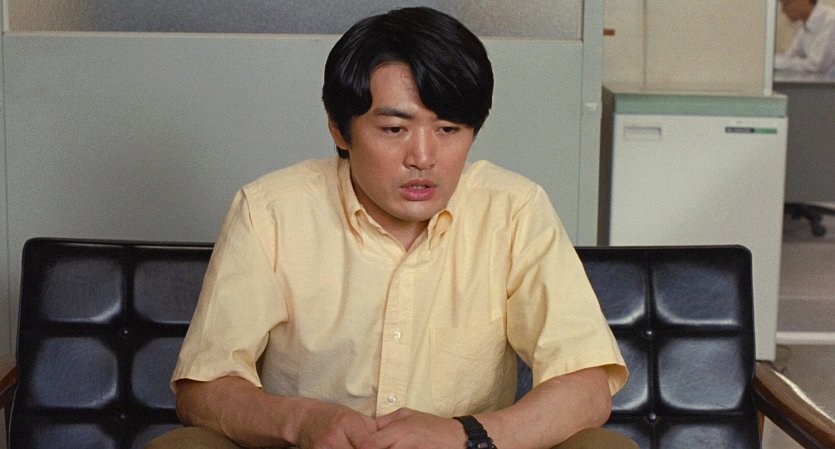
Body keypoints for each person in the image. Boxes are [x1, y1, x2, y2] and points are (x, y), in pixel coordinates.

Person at [147, 6, 634, 449]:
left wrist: (464, 435)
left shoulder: (514, 208)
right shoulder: (270, 209)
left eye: (448, 130)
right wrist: (303, 421)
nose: (423, 157)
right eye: (394, 129)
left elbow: (586, 385)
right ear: (340, 129)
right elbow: (202, 390)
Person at [775, 0, 835, 74]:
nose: (783, 10)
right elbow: (790, 56)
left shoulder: (831, 21)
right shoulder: (806, 25)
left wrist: (778, 63)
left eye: (786, 4)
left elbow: (815, 66)